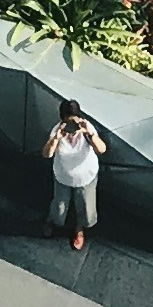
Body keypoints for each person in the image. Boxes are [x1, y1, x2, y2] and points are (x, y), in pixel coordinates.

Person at [44, 99, 106, 249]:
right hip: (63, 176)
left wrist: (89, 133)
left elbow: (102, 149)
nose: (72, 128)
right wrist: (57, 137)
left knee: (85, 207)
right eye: (68, 123)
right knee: (59, 208)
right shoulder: (57, 131)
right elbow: (47, 154)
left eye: (74, 122)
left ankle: (79, 228)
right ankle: (52, 220)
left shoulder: (86, 129)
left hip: (86, 177)